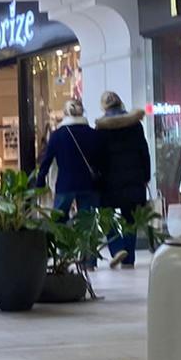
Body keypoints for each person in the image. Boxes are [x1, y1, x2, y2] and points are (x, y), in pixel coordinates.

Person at [94, 91, 152, 266]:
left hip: (109, 181)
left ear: (103, 107)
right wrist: (146, 176)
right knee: (130, 218)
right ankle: (129, 258)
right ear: (120, 103)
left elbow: (98, 156)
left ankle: (117, 247)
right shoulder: (135, 125)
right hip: (134, 179)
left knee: (106, 216)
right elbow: (144, 152)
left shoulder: (101, 128)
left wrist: (97, 178)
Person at [36, 96, 100, 218]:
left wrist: (40, 181)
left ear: (65, 113)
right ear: (82, 112)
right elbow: (100, 159)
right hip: (87, 183)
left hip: (65, 183)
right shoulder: (93, 134)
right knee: (86, 221)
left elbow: (46, 161)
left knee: (59, 221)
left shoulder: (57, 135)